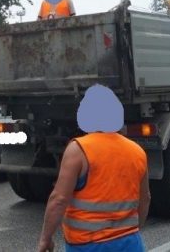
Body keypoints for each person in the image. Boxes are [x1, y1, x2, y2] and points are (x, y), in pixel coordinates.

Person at [37, 85, 150, 252]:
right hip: (129, 243)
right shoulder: (137, 152)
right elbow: (145, 197)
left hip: (88, 246)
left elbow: (59, 199)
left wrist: (45, 238)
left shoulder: (78, 150)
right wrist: (131, 231)